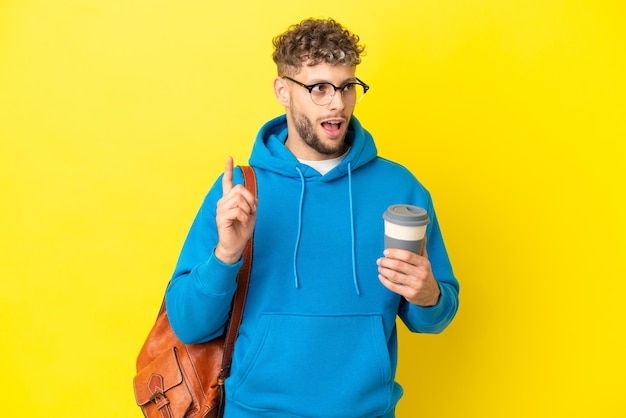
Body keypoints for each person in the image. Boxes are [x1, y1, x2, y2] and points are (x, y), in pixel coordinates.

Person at [165, 17, 460, 418]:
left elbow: (435, 319)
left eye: (347, 87)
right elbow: (189, 325)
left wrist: (429, 296)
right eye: (319, 88)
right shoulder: (240, 192)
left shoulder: (400, 190)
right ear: (283, 91)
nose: (337, 103)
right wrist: (225, 255)